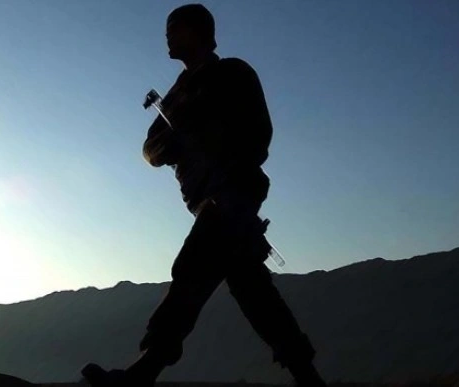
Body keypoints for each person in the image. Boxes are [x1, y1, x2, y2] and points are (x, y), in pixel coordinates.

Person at [82, 4, 327, 387]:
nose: (167, 36)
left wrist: (211, 138)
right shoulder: (175, 94)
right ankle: (307, 376)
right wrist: (173, 144)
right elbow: (150, 149)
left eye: (174, 28)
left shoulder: (232, 73)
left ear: (198, 32)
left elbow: (259, 135)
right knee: (251, 288)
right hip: (205, 200)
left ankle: (144, 371)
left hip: (232, 193)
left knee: (191, 269)